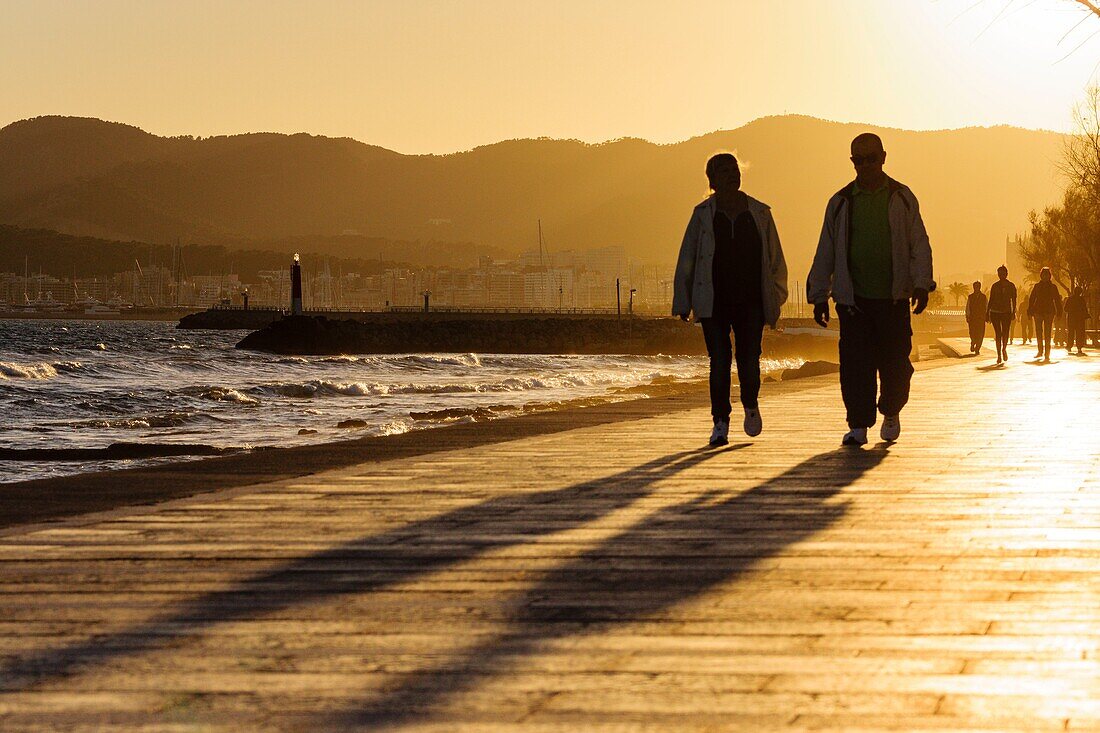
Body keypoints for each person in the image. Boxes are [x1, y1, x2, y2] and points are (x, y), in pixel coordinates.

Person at [807, 133, 933, 446]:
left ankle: (891, 410)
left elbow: (919, 244)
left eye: (871, 158)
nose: (865, 165)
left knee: (897, 366)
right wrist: (819, 295)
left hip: (893, 300)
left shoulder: (902, 197)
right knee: (855, 367)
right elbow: (825, 250)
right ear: (852, 162)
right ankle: (858, 426)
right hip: (853, 302)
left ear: (883, 157)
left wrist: (921, 283)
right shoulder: (840, 203)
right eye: (858, 160)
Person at [673, 153, 789, 446]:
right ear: (712, 181)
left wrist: (775, 296)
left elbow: (775, 259)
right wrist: (682, 300)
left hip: (752, 301)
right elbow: (687, 257)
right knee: (720, 361)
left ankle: (750, 404)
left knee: (749, 359)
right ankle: (720, 421)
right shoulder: (703, 215)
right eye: (724, 171)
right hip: (713, 301)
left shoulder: (759, 213)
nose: (732, 174)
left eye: (735, 169)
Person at [1028, 267, 1062, 362]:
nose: (1045, 277)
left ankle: (1047, 353)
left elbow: (1057, 300)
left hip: (1049, 312)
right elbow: (1032, 299)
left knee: (1047, 333)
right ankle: (1040, 351)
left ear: (1049, 276)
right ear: (1041, 275)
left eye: (1047, 275)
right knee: (1039, 332)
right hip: (1038, 311)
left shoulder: (1053, 287)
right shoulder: (1037, 286)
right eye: (1043, 275)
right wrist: (1030, 311)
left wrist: (1059, 312)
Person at [986, 265, 1017, 365]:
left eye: (1003, 273)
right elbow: (991, 300)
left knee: (1005, 332)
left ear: (1007, 274)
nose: (1002, 275)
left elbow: (1014, 300)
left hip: (1006, 312)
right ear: (998, 274)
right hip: (995, 312)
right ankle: (999, 354)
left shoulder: (1011, 286)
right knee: (998, 334)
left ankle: (1004, 349)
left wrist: (1013, 312)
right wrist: (987, 312)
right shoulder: (995, 286)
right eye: (1000, 273)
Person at [1064, 285, 1090, 355]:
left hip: (1071, 318)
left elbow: (1065, 309)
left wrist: (1071, 311)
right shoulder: (1082, 300)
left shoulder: (1070, 299)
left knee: (1071, 333)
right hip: (1080, 319)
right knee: (1080, 333)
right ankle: (1079, 347)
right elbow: (1085, 309)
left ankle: (1069, 346)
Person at [964, 281, 987, 355]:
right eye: (975, 287)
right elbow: (968, 307)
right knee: (972, 333)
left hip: (981, 318)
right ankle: (973, 342)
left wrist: (987, 316)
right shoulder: (970, 297)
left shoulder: (984, 297)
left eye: (977, 286)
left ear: (980, 287)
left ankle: (977, 348)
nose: (976, 288)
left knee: (980, 334)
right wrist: (968, 316)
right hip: (973, 319)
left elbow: (986, 307)